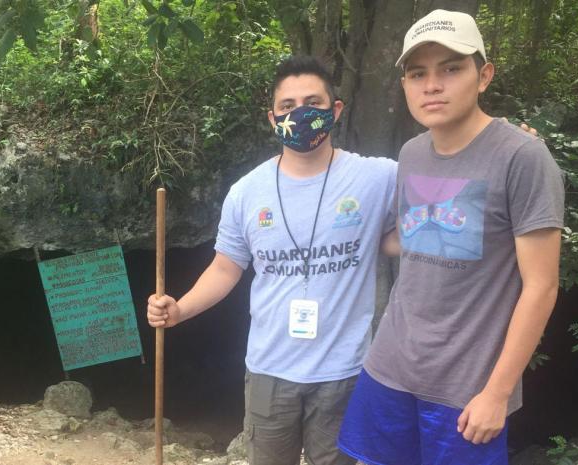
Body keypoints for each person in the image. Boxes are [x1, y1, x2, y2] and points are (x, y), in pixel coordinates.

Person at [337, 10, 564, 465]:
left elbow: (541, 286)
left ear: (483, 76)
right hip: (390, 367)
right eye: (418, 74)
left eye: (451, 69)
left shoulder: (522, 157)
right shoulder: (412, 152)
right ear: (404, 84)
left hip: (466, 385)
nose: (432, 85)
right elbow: (417, 239)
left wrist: (497, 393)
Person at [147, 56, 398, 465]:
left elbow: (443, 207)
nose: (299, 113)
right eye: (287, 106)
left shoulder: (378, 178)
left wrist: (502, 148)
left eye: (313, 102)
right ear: (272, 117)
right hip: (269, 369)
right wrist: (179, 309)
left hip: (344, 372)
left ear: (335, 110)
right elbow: (226, 267)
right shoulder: (247, 192)